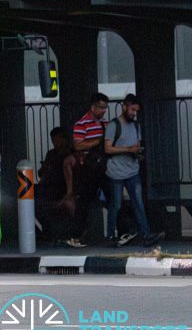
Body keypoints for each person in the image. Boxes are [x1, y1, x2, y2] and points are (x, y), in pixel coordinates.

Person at [104, 94, 165, 247]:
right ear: (125, 106)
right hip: (116, 172)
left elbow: (137, 145)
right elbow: (107, 148)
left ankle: (146, 235)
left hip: (133, 170)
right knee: (116, 204)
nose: (134, 113)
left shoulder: (136, 126)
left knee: (138, 203)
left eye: (136, 111)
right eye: (132, 110)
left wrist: (137, 152)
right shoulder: (113, 126)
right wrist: (128, 149)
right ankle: (111, 235)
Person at [64, 92, 110, 248]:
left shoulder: (105, 124)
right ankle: (75, 235)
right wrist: (98, 141)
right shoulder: (82, 124)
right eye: (101, 107)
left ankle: (121, 231)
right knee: (84, 202)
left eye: (105, 107)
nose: (103, 111)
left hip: (103, 167)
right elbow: (78, 145)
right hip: (89, 168)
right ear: (93, 107)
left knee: (114, 198)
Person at [36, 127, 76, 243]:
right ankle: (46, 234)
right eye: (53, 140)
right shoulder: (51, 154)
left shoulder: (70, 154)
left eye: (57, 139)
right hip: (49, 187)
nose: (55, 142)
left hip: (61, 188)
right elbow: (42, 172)